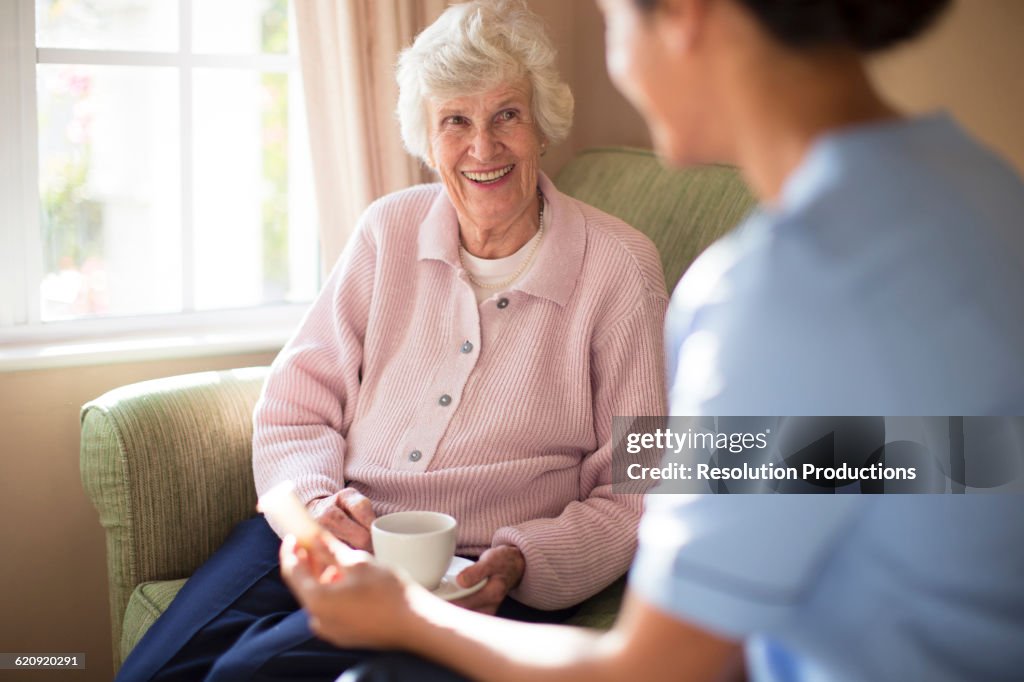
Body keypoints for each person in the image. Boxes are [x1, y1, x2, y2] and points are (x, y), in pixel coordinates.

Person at [280, 0, 1024, 680]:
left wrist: (411, 615)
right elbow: (942, 460)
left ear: (685, 15)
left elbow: (653, 669)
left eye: (610, 19)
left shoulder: (782, 290)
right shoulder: (987, 193)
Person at [114, 1, 668, 680]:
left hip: (475, 574)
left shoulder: (618, 267)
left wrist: (523, 558)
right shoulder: (389, 231)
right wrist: (316, 506)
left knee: (244, 673)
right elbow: (297, 405)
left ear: (543, 126)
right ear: (427, 140)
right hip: (332, 531)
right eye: (455, 121)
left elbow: (637, 489)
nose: (483, 148)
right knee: (153, 671)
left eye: (506, 115)